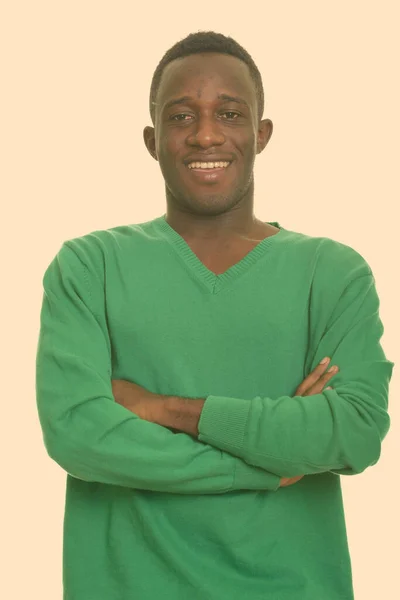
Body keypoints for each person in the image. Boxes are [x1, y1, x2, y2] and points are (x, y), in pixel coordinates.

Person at [36, 31, 394, 600]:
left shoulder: (332, 272)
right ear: (153, 140)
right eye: (182, 116)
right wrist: (270, 462)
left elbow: (352, 431)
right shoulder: (90, 266)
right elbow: (78, 435)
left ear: (261, 133)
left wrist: (163, 408)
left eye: (229, 113)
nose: (206, 133)